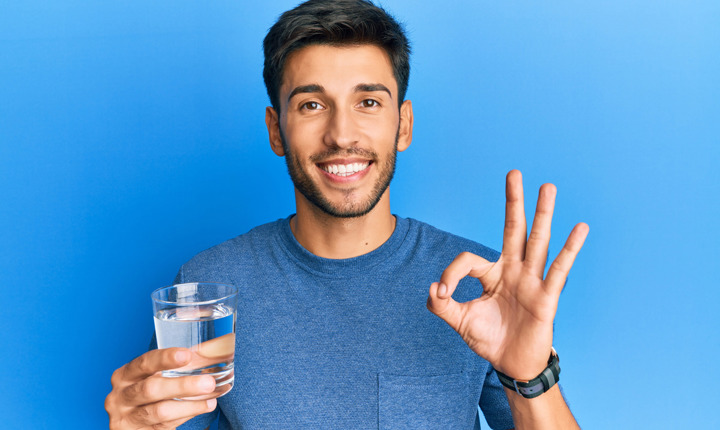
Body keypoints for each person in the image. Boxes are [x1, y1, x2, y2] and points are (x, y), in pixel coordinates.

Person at [104, 0, 589, 428]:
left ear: (403, 125)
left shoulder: (478, 285)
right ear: (276, 130)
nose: (341, 134)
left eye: (368, 102)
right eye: (312, 104)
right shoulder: (211, 285)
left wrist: (532, 378)